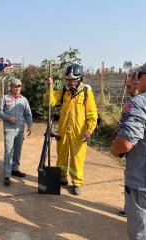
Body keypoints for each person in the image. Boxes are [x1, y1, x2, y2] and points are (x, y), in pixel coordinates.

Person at [110, 59, 146, 239]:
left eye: (139, 77)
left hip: (145, 181)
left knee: (143, 235)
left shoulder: (142, 102)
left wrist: (114, 149)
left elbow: (125, 143)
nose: (136, 81)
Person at [45, 63, 98, 195]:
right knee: (61, 156)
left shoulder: (86, 92)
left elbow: (92, 114)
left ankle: (77, 182)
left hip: (78, 133)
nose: (71, 83)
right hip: (63, 130)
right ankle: (62, 178)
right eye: (68, 80)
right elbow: (50, 102)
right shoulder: (64, 91)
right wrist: (49, 87)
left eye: (73, 80)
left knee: (77, 158)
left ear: (80, 79)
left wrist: (89, 130)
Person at [0, 78, 32, 186]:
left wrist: (30, 125)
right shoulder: (5, 98)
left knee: (17, 151)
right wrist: (8, 118)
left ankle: (15, 169)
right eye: (15, 86)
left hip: (20, 130)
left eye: (19, 86)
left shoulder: (23, 100)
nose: (17, 88)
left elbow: (28, 114)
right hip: (9, 129)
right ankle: (7, 175)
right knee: (8, 151)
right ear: (11, 87)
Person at [118, 66, 141, 217]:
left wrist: (117, 149)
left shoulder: (140, 104)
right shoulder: (134, 101)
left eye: (129, 86)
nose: (127, 89)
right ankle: (129, 206)